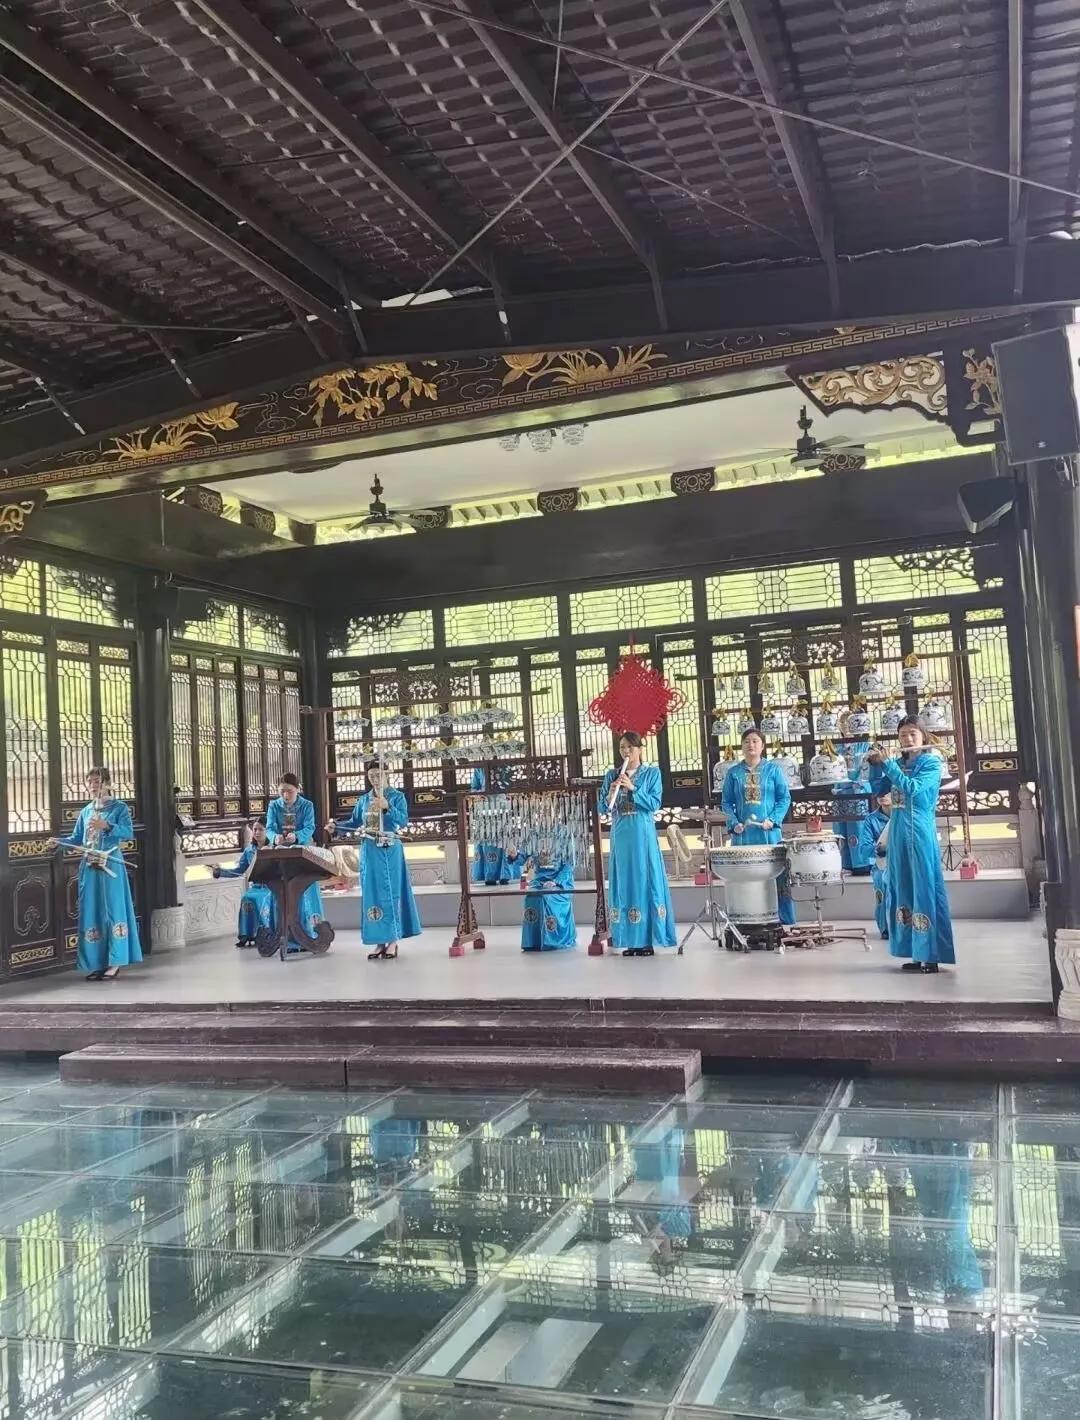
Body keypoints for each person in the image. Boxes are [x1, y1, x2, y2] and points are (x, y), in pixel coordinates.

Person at [868, 717, 955, 973]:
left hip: (919, 832)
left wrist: (888, 765)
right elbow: (878, 790)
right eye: (903, 734)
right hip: (897, 832)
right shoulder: (897, 763)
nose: (907, 739)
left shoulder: (931, 763)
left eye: (912, 734)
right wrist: (875, 766)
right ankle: (914, 952)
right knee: (903, 888)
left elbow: (911, 788)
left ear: (923, 736)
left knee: (924, 888)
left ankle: (931, 955)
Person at [47, 766, 142, 982]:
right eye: (90, 781)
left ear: (108, 783)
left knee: (113, 909)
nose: (93, 785)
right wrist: (58, 843)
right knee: (92, 910)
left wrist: (107, 826)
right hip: (90, 867)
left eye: (97, 781)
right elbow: (77, 839)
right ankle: (97, 962)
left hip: (111, 865)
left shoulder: (119, 808)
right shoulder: (87, 811)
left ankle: (115, 961)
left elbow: (128, 832)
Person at [330, 762, 421, 960]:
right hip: (369, 850)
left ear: (386, 774)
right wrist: (336, 827)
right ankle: (379, 941)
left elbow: (403, 821)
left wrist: (387, 807)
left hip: (389, 849)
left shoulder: (396, 797)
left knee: (391, 891)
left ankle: (393, 939)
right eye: (371, 775)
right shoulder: (364, 799)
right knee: (372, 893)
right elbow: (354, 822)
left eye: (378, 774)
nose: (374, 778)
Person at [599, 731, 677, 957]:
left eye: (630, 747)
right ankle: (629, 940)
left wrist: (633, 788)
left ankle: (647, 940)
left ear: (640, 749)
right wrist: (610, 794)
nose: (626, 751)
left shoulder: (652, 773)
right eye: (622, 747)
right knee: (624, 882)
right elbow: (603, 808)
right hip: (621, 835)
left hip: (642, 836)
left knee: (644, 881)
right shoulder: (612, 775)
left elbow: (654, 803)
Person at [721, 728, 796, 926]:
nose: (751, 745)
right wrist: (734, 823)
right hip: (743, 835)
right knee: (744, 877)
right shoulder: (733, 773)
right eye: (746, 741)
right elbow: (726, 803)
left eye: (755, 741)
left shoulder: (773, 770)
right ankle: (747, 920)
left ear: (762, 745)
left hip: (769, 833)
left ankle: (782, 921)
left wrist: (773, 819)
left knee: (777, 876)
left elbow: (784, 798)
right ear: (742, 746)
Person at [266, 773, 324, 953]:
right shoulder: (274, 805)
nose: (285, 795)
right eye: (282, 791)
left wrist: (297, 836)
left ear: (297, 789)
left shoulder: (307, 805)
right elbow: (269, 828)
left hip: (302, 854)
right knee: (282, 892)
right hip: (281, 853)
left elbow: (310, 827)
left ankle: (309, 935)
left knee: (304, 891)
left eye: (289, 791)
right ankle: (286, 938)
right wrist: (274, 837)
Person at [213, 821, 272, 949]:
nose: (257, 832)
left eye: (260, 829)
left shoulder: (274, 848)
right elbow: (239, 870)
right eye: (255, 829)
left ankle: (266, 932)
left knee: (260, 899)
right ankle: (246, 934)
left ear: (267, 831)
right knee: (246, 898)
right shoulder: (249, 850)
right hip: (256, 887)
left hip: (272, 887)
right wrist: (220, 872)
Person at [520, 838, 576, 952]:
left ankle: (552, 940)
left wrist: (556, 881)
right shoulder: (534, 835)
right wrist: (514, 856)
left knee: (547, 898)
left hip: (561, 882)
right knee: (530, 898)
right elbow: (523, 857)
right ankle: (532, 941)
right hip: (539, 882)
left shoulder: (564, 835)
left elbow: (569, 864)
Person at [470, 765, 522, 886]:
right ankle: (489, 876)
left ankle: (505, 875)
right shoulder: (479, 768)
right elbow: (474, 787)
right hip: (485, 809)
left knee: (505, 841)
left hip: (503, 808)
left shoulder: (505, 766)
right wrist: (479, 794)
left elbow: (513, 784)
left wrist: (509, 795)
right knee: (487, 841)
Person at [833, 739, 873, 874]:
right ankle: (846, 863)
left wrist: (859, 784)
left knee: (858, 827)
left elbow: (866, 770)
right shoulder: (836, 748)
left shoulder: (864, 746)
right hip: (841, 793)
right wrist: (836, 787)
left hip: (858, 791)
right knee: (841, 828)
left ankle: (863, 863)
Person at [856, 793, 891, 940]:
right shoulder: (871, 819)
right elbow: (864, 849)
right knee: (882, 884)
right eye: (878, 792)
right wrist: (878, 850)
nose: (882, 795)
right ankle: (885, 928)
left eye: (886, 791)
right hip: (882, 864)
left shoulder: (904, 815)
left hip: (903, 862)